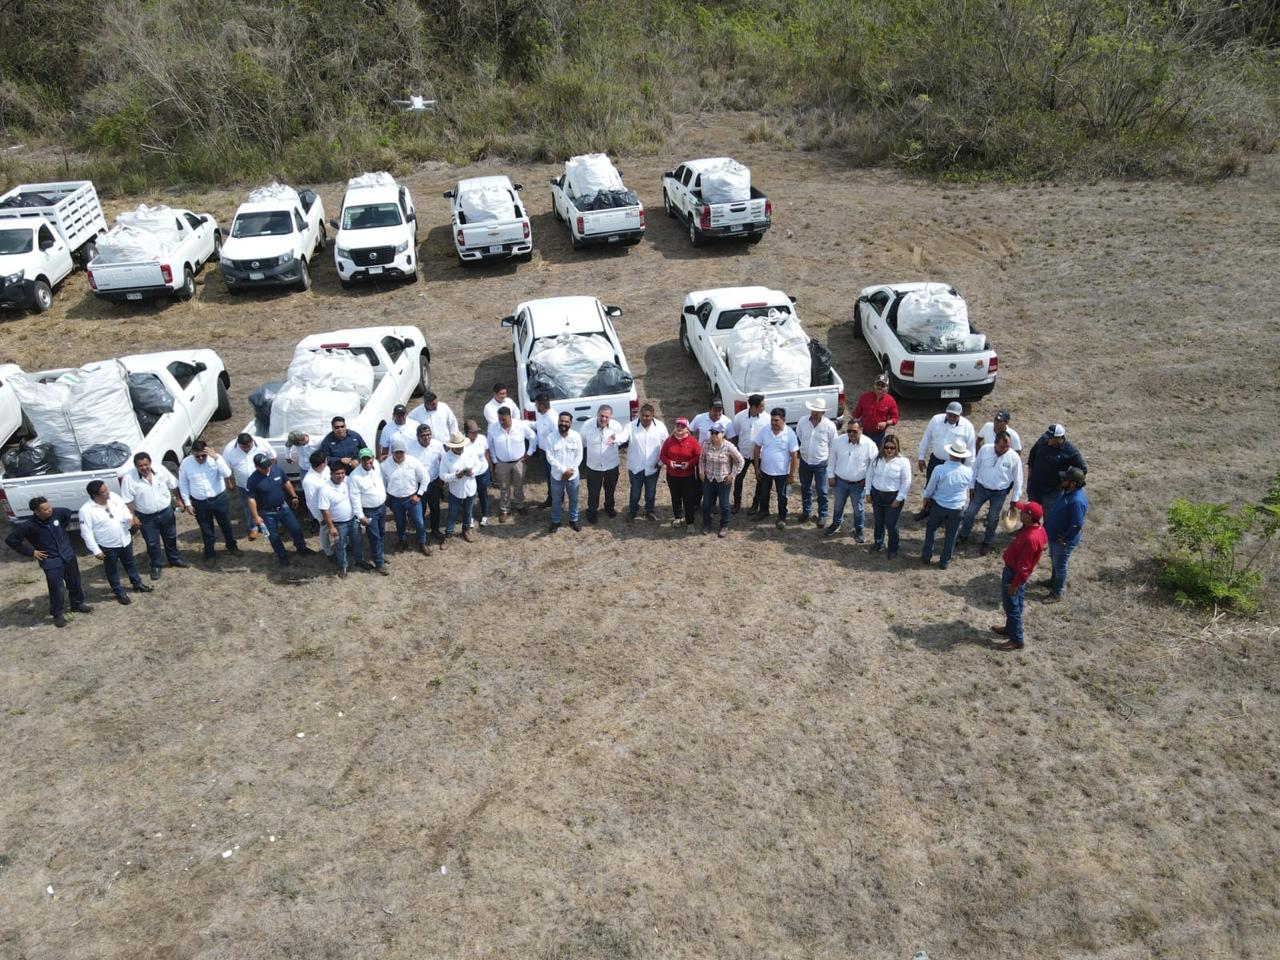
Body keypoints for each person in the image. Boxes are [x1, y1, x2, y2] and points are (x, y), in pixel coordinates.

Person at [6, 496, 92, 627]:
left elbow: (67, 512)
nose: (50, 510)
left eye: (49, 507)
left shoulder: (57, 513)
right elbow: (11, 540)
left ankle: (77, 604)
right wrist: (31, 552)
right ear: (37, 512)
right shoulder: (29, 526)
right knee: (57, 589)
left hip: (68, 555)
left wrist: (62, 528)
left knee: (74, 582)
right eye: (45, 509)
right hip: (51, 560)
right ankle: (57, 614)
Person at [79, 479, 152, 605]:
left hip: (125, 539)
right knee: (112, 569)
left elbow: (124, 509)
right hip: (108, 546)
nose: (108, 493)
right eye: (104, 492)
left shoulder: (114, 497)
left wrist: (130, 518)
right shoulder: (86, 511)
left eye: (106, 489)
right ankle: (119, 592)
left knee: (130, 563)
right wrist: (96, 550)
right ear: (95, 495)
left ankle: (137, 583)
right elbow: (86, 533)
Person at [120, 451, 187, 579]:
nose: (144, 468)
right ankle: (156, 565)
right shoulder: (129, 478)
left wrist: (179, 500)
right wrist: (133, 516)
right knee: (152, 542)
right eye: (140, 466)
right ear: (136, 466)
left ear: (150, 463)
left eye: (146, 464)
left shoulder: (160, 469)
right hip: (146, 517)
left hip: (166, 511)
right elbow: (127, 500)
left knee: (171, 536)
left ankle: (174, 559)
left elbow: (173, 484)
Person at [991, 501, 1048, 652]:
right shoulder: (1038, 529)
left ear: (1029, 517)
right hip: (1016, 573)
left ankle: (1016, 640)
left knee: (1012, 606)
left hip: (1014, 574)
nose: (1020, 513)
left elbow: (1024, 568)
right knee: (1017, 603)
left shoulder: (1030, 539)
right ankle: (1010, 628)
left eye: (1023, 512)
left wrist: (1014, 585)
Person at [959, 431, 1024, 555]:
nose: (1006, 449)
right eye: (1002, 446)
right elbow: (975, 467)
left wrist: (1015, 499)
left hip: (999, 492)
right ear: (995, 443)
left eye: (1008, 446)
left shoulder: (1014, 457)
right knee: (970, 512)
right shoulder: (985, 450)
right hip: (981, 487)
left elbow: (1018, 479)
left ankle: (987, 542)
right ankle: (964, 535)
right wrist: (971, 486)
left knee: (993, 517)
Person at [245, 453, 312, 566]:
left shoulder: (277, 469)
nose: (267, 469)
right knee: (273, 536)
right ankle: (282, 555)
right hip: (267, 513)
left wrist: (294, 496)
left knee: (296, 529)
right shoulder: (253, 480)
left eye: (268, 465)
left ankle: (302, 548)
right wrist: (256, 516)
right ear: (256, 467)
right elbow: (251, 499)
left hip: (283, 507)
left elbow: (286, 482)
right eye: (264, 468)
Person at [178, 440, 240, 560]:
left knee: (226, 525)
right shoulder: (186, 464)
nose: (201, 458)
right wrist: (187, 503)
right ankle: (210, 554)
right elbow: (183, 483)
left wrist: (216, 458)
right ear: (192, 453)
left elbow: (227, 473)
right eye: (197, 456)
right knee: (206, 530)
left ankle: (232, 546)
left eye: (203, 455)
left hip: (219, 499)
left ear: (207, 451)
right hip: (200, 502)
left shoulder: (215, 458)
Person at [914, 401, 976, 519]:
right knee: (930, 484)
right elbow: (926, 437)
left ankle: (946, 514)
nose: (951, 418)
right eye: (949, 415)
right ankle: (926, 509)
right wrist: (921, 457)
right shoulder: (936, 420)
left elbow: (971, 449)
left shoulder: (967, 427)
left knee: (949, 488)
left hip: (955, 463)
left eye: (955, 416)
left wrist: (968, 469)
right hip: (936, 459)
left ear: (960, 415)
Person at [919, 439, 974, 569]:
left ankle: (927, 555)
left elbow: (930, 487)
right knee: (951, 535)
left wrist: (926, 498)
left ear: (950, 453)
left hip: (939, 505)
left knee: (931, 529)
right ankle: (944, 561)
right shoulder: (968, 471)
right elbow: (968, 487)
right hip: (957, 507)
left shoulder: (939, 469)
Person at [826, 419, 879, 540]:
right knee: (838, 505)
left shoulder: (870, 445)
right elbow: (832, 460)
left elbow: (874, 466)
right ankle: (836, 523)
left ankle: (859, 528)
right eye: (848, 431)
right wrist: (830, 476)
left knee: (858, 508)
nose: (851, 434)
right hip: (840, 482)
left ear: (861, 430)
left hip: (858, 484)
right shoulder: (838, 441)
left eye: (854, 431)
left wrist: (866, 481)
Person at [1043, 466, 1089, 604]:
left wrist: (1065, 537)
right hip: (1055, 537)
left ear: (1073, 483)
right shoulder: (1068, 492)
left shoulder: (1076, 501)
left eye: (1065, 479)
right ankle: (1053, 581)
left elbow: (1077, 524)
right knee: (1055, 560)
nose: (1062, 480)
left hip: (1062, 541)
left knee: (1060, 566)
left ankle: (1057, 593)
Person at [223, 431, 277, 540]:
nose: (247, 449)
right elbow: (226, 468)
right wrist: (229, 482)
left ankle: (273, 524)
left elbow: (273, 458)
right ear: (238, 444)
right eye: (244, 448)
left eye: (249, 447)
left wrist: (271, 474)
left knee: (268, 503)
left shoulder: (262, 443)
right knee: (248, 507)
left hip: (263, 482)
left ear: (252, 441)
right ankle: (253, 527)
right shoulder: (229, 449)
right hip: (243, 485)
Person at [382, 437, 431, 554]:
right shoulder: (384, 465)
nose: (399, 455)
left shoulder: (414, 462)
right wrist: (386, 496)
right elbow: (382, 482)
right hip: (395, 499)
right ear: (392, 453)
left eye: (401, 452)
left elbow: (425, 478)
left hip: (412, 498)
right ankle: (402, 541)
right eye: (396, 452)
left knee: (419, 522)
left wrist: (419, 495)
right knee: (400, 522)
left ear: (405, 451)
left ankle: (422, 542)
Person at [316, 462, 366, 577]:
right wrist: (331, 527)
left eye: (343, 473)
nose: (341, 476)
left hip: (353, 520)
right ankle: (343, 567)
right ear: (331, 474)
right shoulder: (325, 489)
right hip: (338, 524)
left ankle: (359, 561)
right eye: (337, 474)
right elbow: (324, 510)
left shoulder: (348, 480)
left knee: (357, 542)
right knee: (340, 546)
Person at [866, 434, 912, 559]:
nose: (889, 450)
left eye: (892, 448)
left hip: (893, 497)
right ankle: (878, 542)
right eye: (887, 447)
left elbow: (906, 481)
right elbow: (869, 475)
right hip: (877, 495)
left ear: (897, 448)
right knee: (878, 522)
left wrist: (899, 498)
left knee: (891, 524)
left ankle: (893, 548)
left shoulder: (903, 462)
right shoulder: (877, 459)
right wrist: (868, 492)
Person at [487, 406, 536, 522]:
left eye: (504, 419)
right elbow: (490, 445)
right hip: (502, 463)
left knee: (519, 485)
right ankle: (505, 509)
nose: (501, 422)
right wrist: (494, 461)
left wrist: (529, 453)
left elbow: (533, 437)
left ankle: (519, 504)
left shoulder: (520, 425)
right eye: (499, 419)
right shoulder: (493, 428)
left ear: (510, 417)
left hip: (519, 462)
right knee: (504, 487)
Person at [752, 408, 798, 529]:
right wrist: (756, 468)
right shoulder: (765, 430)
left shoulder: (790, 433)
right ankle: (764, 511)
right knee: (764, 493)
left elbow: (794, 456)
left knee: (782, 496)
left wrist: (791, 474)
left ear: (783, 419)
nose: (773, 423)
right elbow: (757, 448)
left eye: (776, 420)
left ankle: (782, 516)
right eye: (772, 420)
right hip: (765, 470)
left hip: (782, 472)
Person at [1026, 423, 1087, 513]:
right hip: (1035, 488)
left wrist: (1065, 478)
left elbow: (1083, 469)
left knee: (1050, 519)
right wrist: (1030, 475)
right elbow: (1032, 453)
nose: (1048, 439)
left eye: (1051, 438)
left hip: (1052, 492)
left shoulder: (1070, 451)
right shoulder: (1043, 440)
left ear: (1059, 438)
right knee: (1030, 515)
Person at [796, 397, 838, 525]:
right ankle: (806, 511)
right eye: (813, 410)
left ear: (823, 412)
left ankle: (823, 514)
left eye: (817, 411)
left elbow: (834, 445)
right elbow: (799, 436)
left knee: (822, 491)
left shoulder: (829, 426)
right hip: (805, 461)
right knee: (805, 488)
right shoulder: (803, 421)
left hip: (821, 463)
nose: (814, 413)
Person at [580, 404, 625, 523]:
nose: (604, 419)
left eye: (607, 417)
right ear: (597, 414)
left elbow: (621, 440)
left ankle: (609, 507)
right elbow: (583, 442)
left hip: (611, 465)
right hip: (593, 467)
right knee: (593, 491)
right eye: (601, 416)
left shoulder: (616, 426)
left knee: (610, 489)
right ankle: (592, 512)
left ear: (611, 417)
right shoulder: (587, 426)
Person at [698, 424, 744, 537]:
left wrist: (732, 475)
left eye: (716, 433)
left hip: (723, 480)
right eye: (712, 432)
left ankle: (724, 525)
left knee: (724, 504)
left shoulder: (729, 447)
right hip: (709, 478)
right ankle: (707, 524)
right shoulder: (706, 444)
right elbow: (702, 459)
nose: (713, 435)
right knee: (706, 503)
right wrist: (701, 471)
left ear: (723, 434)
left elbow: (740, 461)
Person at [406, 423, 447, 548]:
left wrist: (441, 478)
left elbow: (444, 460)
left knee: (435, 508)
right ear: (418, 436)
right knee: (420, 510)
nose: (427, 437)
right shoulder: (410, 448)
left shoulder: (437, 445)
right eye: (423, 435)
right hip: (418, 485)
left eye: (429, 434)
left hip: (434, 483)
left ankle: (435, 529)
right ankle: (421, 534)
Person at [624, 403, 667, 522]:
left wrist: (661, 462)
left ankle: (649, 511)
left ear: (652, 416)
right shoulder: (630, 426)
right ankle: (633, 511)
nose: (644, 418)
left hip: (653, 467)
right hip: (635, 467)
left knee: (651, 491)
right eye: (642, 415)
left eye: (647, 416)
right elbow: (623, 436)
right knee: (635, 491)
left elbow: (666, 445)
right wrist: (615, 439)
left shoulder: (660, 427)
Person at [350, 448, 389, 573]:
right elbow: (354, 498)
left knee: (381, 532)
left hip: (381, 507)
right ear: (360, 460)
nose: (367, 461)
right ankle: (379, 563)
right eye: (364, 459)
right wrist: (360, 516)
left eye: (369, 458)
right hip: (369, 511)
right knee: (374, 537)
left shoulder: (376, 465)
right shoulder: (355, 476)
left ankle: (380, 554)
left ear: (373, 458)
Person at [660, 417, 702, 531]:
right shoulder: (669, 440)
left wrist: (689, 463)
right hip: (672, 475)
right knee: (675, 497)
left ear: (687, 429)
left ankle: (690, 522)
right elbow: (662, 455)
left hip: (687, 477)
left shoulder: (692, 441)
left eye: (682, 426)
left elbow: (698, 456)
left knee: (688, 499)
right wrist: (669, 462)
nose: (679, 428)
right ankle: (678, 517)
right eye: (677, 426)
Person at [545, 412, 584, 533]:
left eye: (566, 421)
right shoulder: (550, 438)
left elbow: (579, 455)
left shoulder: (576, 436)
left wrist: (570, 470)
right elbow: (550, 457)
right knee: (556, 500)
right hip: (557, 476)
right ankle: (556, 521)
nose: (563, 423)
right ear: (558, 421)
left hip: (573, 475)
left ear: (570, 423)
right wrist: (564, 470)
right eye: (561, 421)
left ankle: (573, 519)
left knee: (574, 499)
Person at [441, 430, 483, 542]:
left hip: (470, 488)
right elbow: (442, 475)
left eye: (461, 446)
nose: (460, 448)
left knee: (468, 511)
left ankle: (466, 530)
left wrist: (472, 471)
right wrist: (455, 476)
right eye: (457, 447)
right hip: (456, 490)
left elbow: (479, 465)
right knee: (452, 513)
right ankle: (448, 534)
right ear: (452, 446)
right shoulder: (446, 457)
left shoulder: (470, 452)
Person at [731, 394, 767, 514]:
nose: (764, 408)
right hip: (743, 453)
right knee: (739, 478)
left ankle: (755, 505)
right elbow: (736, 434)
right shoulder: (739, 417)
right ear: (754, 407)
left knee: (760, 479)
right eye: (762, 406)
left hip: (760, 455)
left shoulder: (766, 418)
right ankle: (736, 504)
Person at [850, 373, 899, 448]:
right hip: (863, 433)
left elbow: (895, 418)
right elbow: (855, 415)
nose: (879, 387)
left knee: (876, 453)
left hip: (878, 436)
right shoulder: (865, 397)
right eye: (877, 384)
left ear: (887, 387)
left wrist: (886, 423)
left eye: (882, 385)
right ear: (874, 385)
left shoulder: (891, 401)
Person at [301, 450, 334, 558]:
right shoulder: (309, 481)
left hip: (333, 506)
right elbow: (311, 502)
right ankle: (328, 552)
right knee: (325, 531)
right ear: (323, 463)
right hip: (323, 511)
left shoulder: (326, 469)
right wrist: (320, 518)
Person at [463, 418, 491, 526]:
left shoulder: (482, 438)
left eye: (476, 431)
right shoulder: (462, 442)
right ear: (466, 433)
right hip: (470, 474)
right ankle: (469, 517)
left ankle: (485, 515)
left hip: (482, 472)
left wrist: (490, 468)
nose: (475, 434)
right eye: (473, 432)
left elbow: (486, 452)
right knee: (469, 496)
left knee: (483, 494)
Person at [532, 392, 557, 507]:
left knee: (553, 477)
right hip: (543, 451)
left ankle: (555, 499)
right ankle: (552, 497)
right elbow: (537, 425)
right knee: (548, 476)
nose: (535, 407)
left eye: (536, 404)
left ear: (541, 405)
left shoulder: (552, 418)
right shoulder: (542, 415)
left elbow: (557, 437)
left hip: (550, 453)